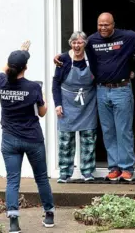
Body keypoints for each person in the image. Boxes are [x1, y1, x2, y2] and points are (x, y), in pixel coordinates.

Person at [54, 12, 135, 182]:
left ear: (113, 24)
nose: (103, 28)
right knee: (108, 131)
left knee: (123, 130)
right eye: (100, 24)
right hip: (101, 90)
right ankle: (114, 167)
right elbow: (76, 49)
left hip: (121, 89)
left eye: (106, 25)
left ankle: (126, 168)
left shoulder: (127, 37)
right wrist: (60, 57)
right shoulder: (92, 41)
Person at [0, 41, 55, 232]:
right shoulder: (33, 88)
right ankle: (49, 215)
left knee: (13, 180)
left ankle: (13, 222)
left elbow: (4, 68)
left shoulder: (0, 82)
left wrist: (21, 52)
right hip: (33, 140)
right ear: (26, 68)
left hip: (10, 139)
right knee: (41, 178)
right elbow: (43, 112)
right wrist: (43, 96)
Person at [52, 31, 97, 183]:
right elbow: (55, 83)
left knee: (88, 139)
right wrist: (57, 104)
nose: (77, 46)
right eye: (74, 42)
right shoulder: (63, 59)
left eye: (80, 42)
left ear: (85, 44)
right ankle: (64, 173)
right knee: (65, 140)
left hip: (88, 102)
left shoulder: (92, 57)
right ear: (70, 43)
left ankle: (87, 172)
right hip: (67, 102)